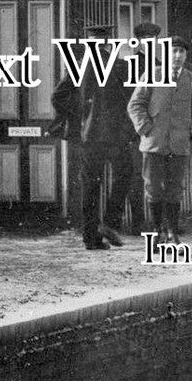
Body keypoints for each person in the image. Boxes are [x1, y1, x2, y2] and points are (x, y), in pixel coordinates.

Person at [52, 22, 134, 250]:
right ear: (108, 42)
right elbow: (131, 98)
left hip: (89, 137)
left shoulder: (78, 65)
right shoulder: (119, 65)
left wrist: (82, 114)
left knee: (90, 186)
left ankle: (91, 238)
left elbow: (58, 97)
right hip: (116, 135)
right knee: (124, 174)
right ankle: (109, 222)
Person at [127, 36, 192, 244]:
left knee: (174, 188)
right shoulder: (152, 75)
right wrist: (146, 128)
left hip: (179, 144)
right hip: (154, 143)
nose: (177, 56)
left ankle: (172, 231)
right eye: (174, 51)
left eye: (181, 51)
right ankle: (156, 231)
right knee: (153, 187)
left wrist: (190, 132)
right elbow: (135, 104)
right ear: (166, 54)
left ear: (186, 55)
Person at [123, 21, 162, 235]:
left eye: (153, 40)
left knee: (156, 177)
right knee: (137, 176)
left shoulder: (159, 65)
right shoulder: (130, 66)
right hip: (135, 131)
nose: (150, 43)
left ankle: (157, 223)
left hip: (156, 132)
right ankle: (138, 222)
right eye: (145, 40)